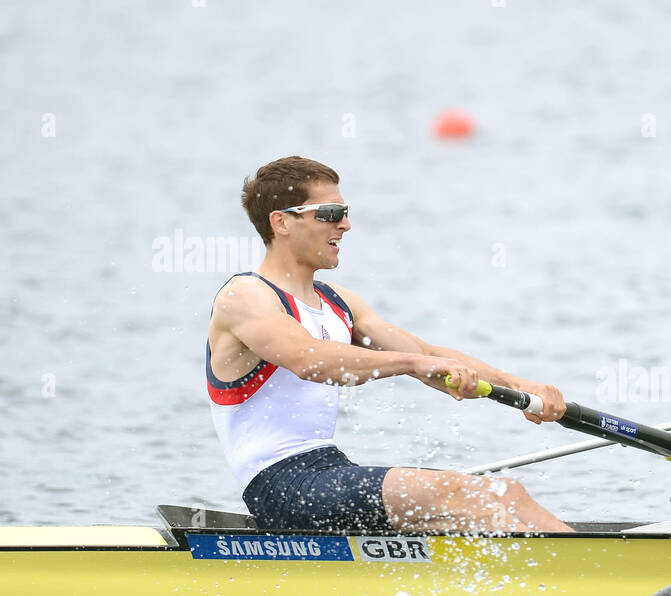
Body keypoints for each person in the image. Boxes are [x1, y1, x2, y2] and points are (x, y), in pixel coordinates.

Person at [207, 156, 570, 533]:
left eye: (345, 212)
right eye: (330, 213)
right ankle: (554, 583)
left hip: (329, 470)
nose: (345, 225)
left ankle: (586, 570)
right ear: (281, 222)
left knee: (507, 492)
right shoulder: (246, 297)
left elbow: (428, 354)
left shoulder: (338, 302)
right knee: (462, 493)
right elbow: (309, 360)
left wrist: (521, 385)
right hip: (280, 487)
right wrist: (412, 365)